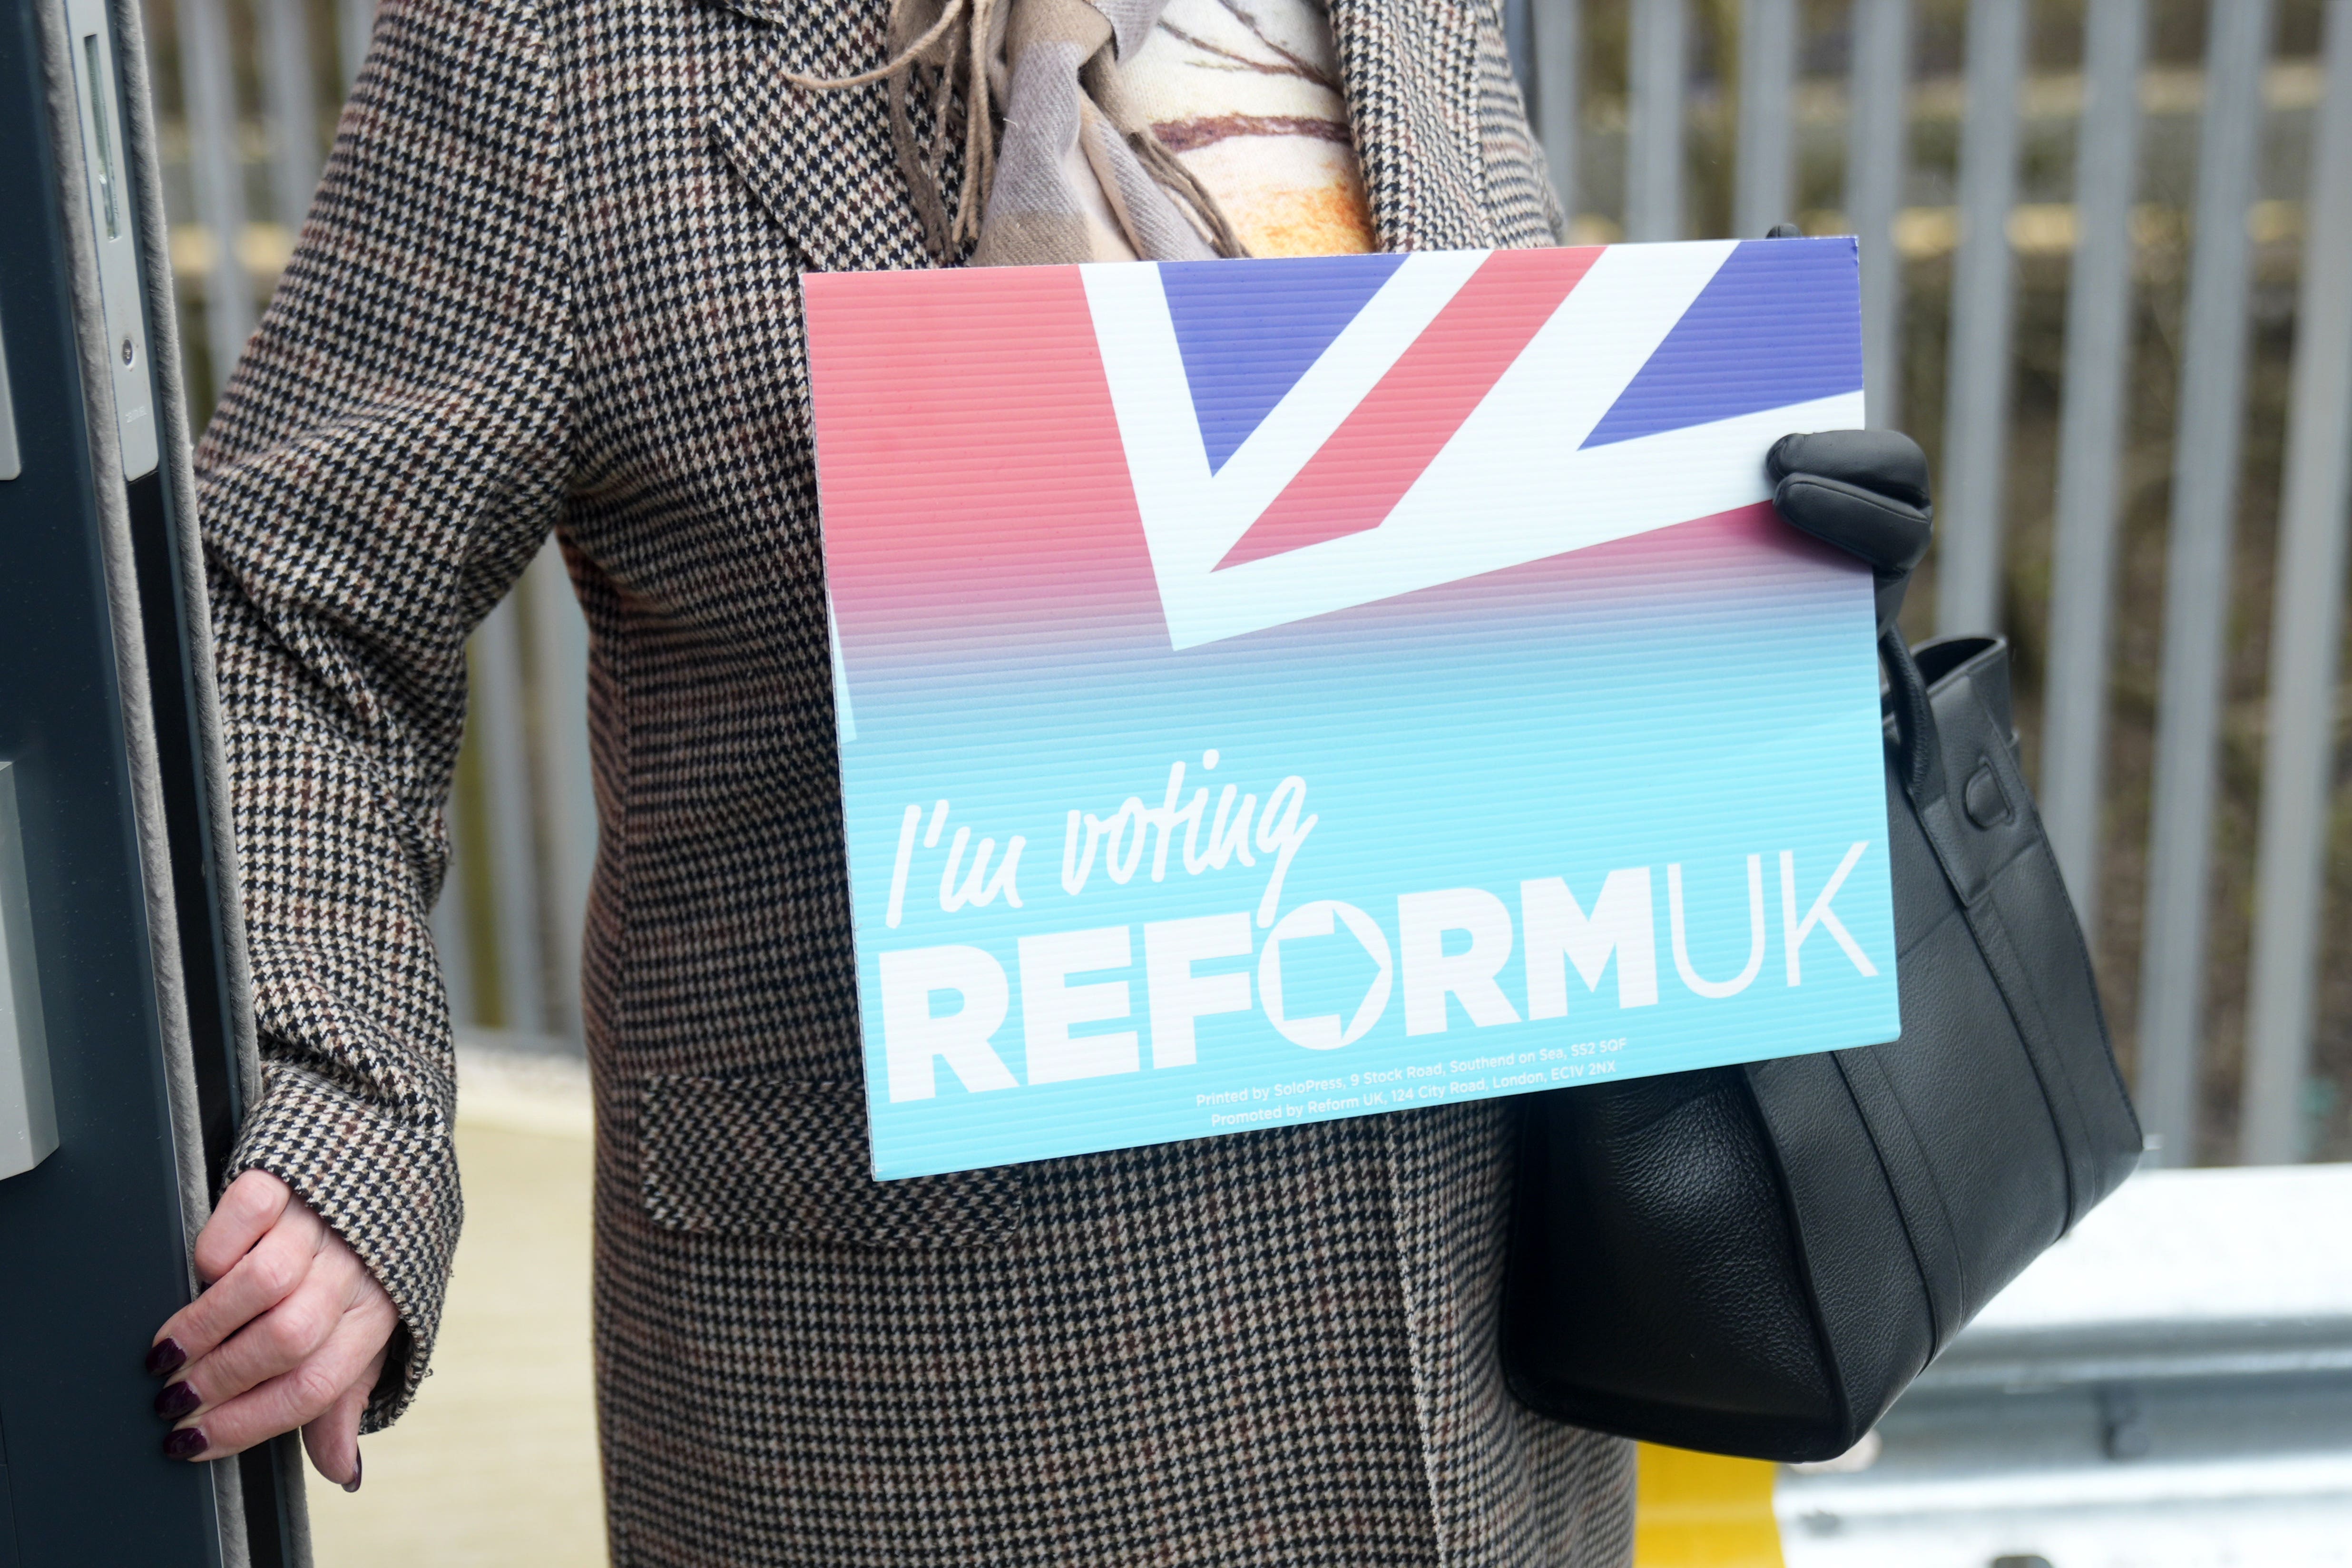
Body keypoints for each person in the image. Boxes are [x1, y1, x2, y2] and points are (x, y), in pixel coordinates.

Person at [141, 0, 1931, 1559]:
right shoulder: (564, 50)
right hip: (915, 1406)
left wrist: (1726, 556)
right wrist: (344, 1099)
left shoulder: (1407, 14)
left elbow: (1448, 579)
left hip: (1477, 1394)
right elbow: (287, 613)